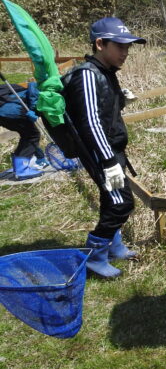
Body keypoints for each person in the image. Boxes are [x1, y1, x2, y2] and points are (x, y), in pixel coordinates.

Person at [63, 17, 145, 279]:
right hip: (99, 153)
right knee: (121, 203)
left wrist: (121, 100)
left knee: (112, 200)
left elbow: (104, 110)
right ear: (100, 44)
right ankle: (94, 256)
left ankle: (113, 246)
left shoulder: (106, 72)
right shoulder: (87, 74)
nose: (125, 52)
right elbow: (90, 123)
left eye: (128, 47)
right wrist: (108, 161)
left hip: (111, 150)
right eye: (120, 46)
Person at [0, 79, 44, 180]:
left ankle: (19, 166)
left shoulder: (26, 86)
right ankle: (22, 170)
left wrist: (40, 156)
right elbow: (34, 96)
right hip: (11, 110)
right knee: (32, 135)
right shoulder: (40, 89)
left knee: (28, 134)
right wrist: (33, 109)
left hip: (4, 111)